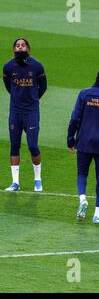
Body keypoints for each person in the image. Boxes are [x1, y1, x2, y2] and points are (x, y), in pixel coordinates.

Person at [67, 69, 99, 224]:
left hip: (84, 140)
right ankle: (97, 214)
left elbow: (75, 118)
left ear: (96, 78)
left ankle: (82, 198)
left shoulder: (84, 94)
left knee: (82, 173)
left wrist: (71, 139)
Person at [2, 38, 47, 192]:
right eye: (17, 46)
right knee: (14, 145)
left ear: (28, 48)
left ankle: (37, 179)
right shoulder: (8, 67)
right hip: (15, 111)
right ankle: (15, 182)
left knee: (32, 145)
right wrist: (18, 98)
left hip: (31, 111)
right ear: (14, 49)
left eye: (23, 45)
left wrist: (33, 99)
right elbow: (8, 86)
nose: (20, 48)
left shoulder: (37, 66)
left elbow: (43, 86)